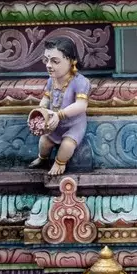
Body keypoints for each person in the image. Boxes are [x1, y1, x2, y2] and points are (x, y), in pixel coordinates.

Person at [28, 36, 91, 177]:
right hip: (53, 124)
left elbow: (81, 105)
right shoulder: (52, 80)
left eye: (55, 61)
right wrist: (41, 110)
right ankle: (43, 159)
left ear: (70, 61)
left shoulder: (80, 82)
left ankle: (59, 163)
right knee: (44, 142)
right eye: (47, 60)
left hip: (73, 125)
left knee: (67, 146)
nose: (49, 65)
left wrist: (59, 115)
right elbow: (46, 97)